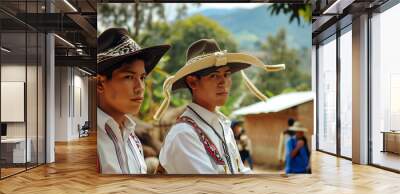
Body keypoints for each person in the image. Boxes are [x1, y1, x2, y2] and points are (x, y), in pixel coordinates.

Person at [155, 38, 285, 174]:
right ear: (193, 82)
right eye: (213, 75)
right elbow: (210, 191)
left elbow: (240, 172)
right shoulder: (185, 135)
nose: (223, 82)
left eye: (226, 74)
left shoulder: (224, 126)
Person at [96, 28, 170, 174]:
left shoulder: (131, 138)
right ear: (99, 83)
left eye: (142, 77)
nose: (140, 88)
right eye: (129, 77)